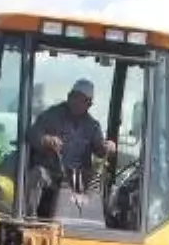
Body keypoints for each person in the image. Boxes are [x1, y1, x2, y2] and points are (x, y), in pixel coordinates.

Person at [26, 77, 115, 215]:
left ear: (89, 104)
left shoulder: (92, 126)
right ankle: (30, 218)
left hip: (77, 179)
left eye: (83, 100)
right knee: (38, 174)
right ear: (69, 97)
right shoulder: (51, 115)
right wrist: (46, 140)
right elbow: (32, 134)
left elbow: (100, 150)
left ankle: (92, 220)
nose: (78, 103)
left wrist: (107, 147)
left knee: (103, 180)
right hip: (52, 174)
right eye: (75, 97)